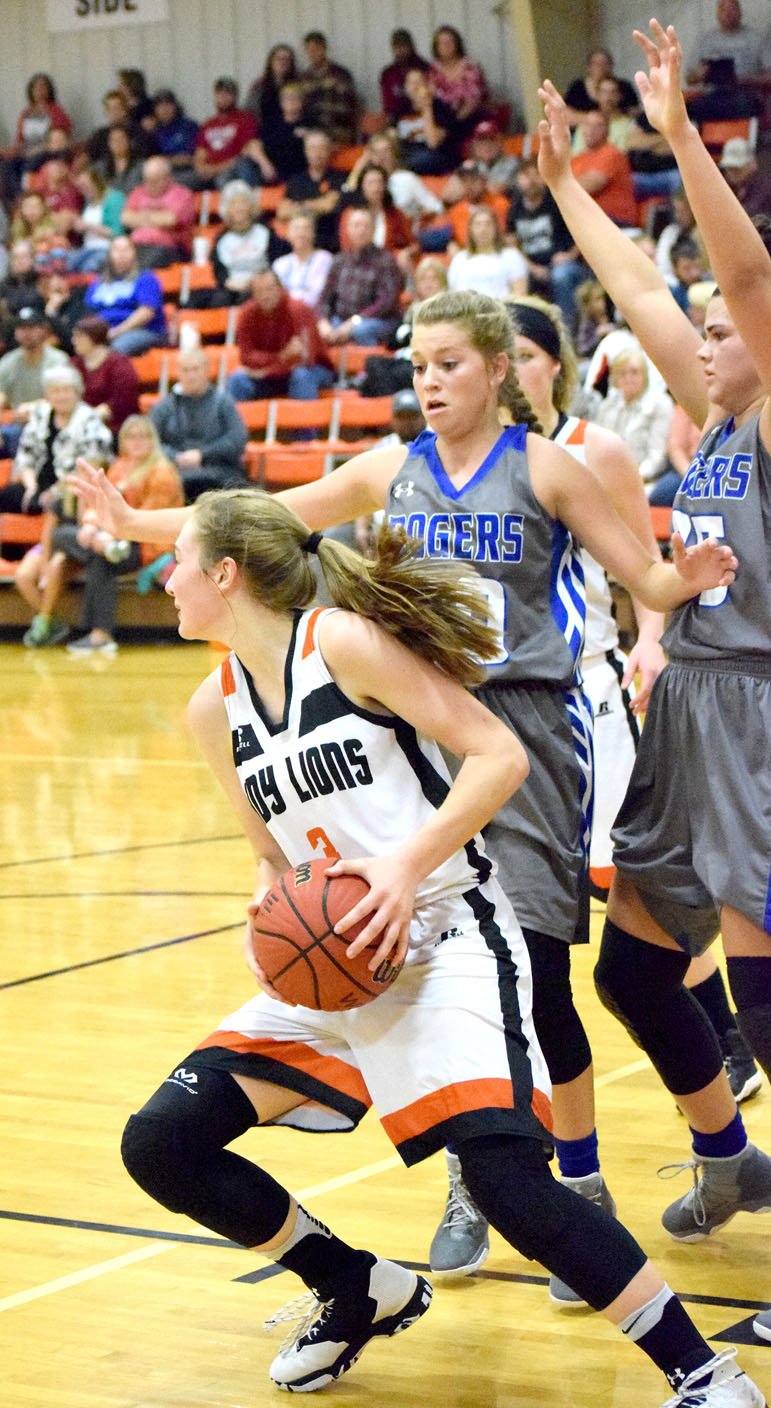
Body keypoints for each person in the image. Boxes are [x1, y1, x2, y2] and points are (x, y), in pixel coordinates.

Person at [73, 287, 741, 1321]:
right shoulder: (393, 467)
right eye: (416, 364)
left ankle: (575, 1181)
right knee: (420, 949)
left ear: (499, 370)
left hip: (521, 731)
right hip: (411, 726)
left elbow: (642, 583)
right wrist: (135, 521)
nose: (427, 381)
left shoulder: (546, 466)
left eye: (447, 364)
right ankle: (479, 1176)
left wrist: (679, 581)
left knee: (537, 978)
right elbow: (267, 518)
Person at [536, 25, 771, 1324]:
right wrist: (570, 183)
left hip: (757, 709)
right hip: (683, 707)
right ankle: (730, 1158)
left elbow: (735, 277)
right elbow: (643, 292)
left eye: (724, 329)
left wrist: (676, 136)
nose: (699, 336)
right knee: (631, 969)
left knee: (761, 978)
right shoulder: (717, 416)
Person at [58, 415, 183, 656]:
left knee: (102, 559)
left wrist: (108, 534)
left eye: (144, 436)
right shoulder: (118, 468)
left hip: (146, 544)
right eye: (131, 436)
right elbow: (98, 504)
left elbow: (148, 521)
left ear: (153, 440)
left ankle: (99, 634)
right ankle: (100, 634)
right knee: (64, 535)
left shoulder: (162, 473)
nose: (138, 442)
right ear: (123, 441)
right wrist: (93, 528)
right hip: (113, 539)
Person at [11, 363, 113, 647]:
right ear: (47, 394)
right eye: (55, 391)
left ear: (77, 392)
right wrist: (32, 485)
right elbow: (25, 458)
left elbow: (91, 465)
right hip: (55, 518)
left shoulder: (90, 423)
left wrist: (58, 489)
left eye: (66, 390)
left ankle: (44, 623)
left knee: (55, 564)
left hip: (75, 528)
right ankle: (53, 623)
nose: (61, 396)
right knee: (23, 575)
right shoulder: (41, 417)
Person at [150, 347, 247, 500]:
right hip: (175, 472)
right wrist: (175, 456)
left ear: (207, 370)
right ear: (178, 373)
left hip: (220, 471)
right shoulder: (164, 406)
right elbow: (151, 441)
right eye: (185, 370)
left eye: (195, 369)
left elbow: (237, 438)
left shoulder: (223, 402)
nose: (191, 375)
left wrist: (202, 455)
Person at [227, 268, 334, 404]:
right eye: (259, 291)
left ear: (280, 288)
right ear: (253, 294)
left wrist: (266, 370)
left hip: (315, 368)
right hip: (272, 372)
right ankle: (238, 425)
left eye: (269, 289)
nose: (265, 295)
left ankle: (306, 425)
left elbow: (305, 358)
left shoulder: (298, 310)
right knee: (237, 379)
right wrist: (280, 357)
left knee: (301, 376)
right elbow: (246, 357)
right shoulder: (247, 314)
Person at [506, 157, 587, 330]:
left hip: (565, 263)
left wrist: (570, 255)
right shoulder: (514, 208)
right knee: (516, 277)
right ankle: (523, 330)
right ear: (518, 179)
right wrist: (531, 267)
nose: (532, 180)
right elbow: (512, 245)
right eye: (526, 175)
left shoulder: (557, 201)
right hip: (532, 266)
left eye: (536, 174)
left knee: (561, 275)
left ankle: (566, 329)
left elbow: (585, 231)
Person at [317, 209, 403, 347]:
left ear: (373, 230)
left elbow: (387, 302)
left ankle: (366, 366)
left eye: (366, 226)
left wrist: (355, 321)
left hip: (377, 320)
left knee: (361, 330)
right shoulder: (339, 260)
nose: (361, 230)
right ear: (348, 230)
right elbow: (325, 296)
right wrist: (323, 321)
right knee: (319, 329)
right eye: (356, 225)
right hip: (341, 319)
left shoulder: (385, 260)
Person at [595, 348, 675, 495]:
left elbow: (657, 457)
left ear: (644, 376)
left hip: (645, 479)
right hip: (607, 477)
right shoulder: (607, 405)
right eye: (622, 373)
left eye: (634, 372)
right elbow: (596, 448)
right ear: (615, 379)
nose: (628, 378)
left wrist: (631, 479)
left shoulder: (660, 405)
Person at [0, 305, 70, 459]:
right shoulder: (8, 361)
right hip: (15, 422)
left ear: (43, 330)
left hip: (50, 419)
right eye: (22, 328)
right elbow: (1, 396)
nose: (26, 333)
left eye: (31, 328)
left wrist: (34, 407)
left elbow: (63, 397)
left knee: (20, 433)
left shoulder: (57, 360)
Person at [83, 235, 167, 356]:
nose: (121, 254)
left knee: (113, 352)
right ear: (109, 254)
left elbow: (146, 312)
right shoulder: (99, 282)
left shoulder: (145, 278)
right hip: (103, 332)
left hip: (140, 330)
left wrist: (118, 331)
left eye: (126, 249)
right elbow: (88, 312)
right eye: (117, 250)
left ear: (134, 253)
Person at [192, 78, 276, 191]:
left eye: (228, 93)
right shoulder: (207, 124)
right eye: (220, 93)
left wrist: (217, 169)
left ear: (235, 96)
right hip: (208, 172)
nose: (223, 97)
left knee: (223, 179)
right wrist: (202, 168)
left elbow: (247, 151)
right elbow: (199, 156)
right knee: (181, 180)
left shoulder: (245, 119)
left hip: (233, 169)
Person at [276, 130, 345, 254]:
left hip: (329, 243)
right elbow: (282, 211)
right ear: (306, 151)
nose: (316, 153)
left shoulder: (339, 178)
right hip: (299, 245)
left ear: (329, 150)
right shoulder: (296, 181)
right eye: (312, 148)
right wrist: (316, 206)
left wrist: (298, 207)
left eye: (321, 148)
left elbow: (328, 205)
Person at [71, 314, 140, 436]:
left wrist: (95, 414)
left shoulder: (119, 364)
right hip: (79, 421)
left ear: (92, 338)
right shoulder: (75, 363)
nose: (73, 341)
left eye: (78, 336)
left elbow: (124, 400)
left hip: (114, 425)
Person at [121, 156, 196, 268]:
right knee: (113, 261)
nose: (149, 185)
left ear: (167, 178)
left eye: (154, 181)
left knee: (141, 266)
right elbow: (125, 218)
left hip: (170, 248)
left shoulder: (182, 194)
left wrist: (140, 217)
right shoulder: (138, 192)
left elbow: (171, 220)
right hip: (136, 245)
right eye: (146, 180)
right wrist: (157, 218)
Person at [571, 110, 639, 228]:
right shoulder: (576, 160)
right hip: (587, 220)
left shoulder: (611, 153)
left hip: (614, 220)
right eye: (587, 124)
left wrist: (562, 185)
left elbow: (589, 186)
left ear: (607, 131)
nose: (591, 130)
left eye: (598, 126)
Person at [209, 181, 272, 304]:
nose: (239, 208)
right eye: (233, 204)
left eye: (243, 202)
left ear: (251, 206)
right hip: (232, 287)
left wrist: (259, 282)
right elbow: (220, 272)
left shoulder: (265, 232)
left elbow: (275, 263)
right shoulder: (222, 239)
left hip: (261, 285)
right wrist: (232, 284)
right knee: (219, 300)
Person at [447, 207, 527, 300]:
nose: (483, 229)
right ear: (470, 229)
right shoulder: (459, 259)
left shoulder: (511, 256)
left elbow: (520, 294)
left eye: (488, 224)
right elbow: (452, 294)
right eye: (478, 225)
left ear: (496, 228)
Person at [396, 68, 460, 177]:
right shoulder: (401, 109)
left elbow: (433, 142)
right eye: (411, 82)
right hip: (408, 152)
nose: (415, 86)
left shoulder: (441, 108)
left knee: (417, 160)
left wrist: (427, 108)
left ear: (427, 85)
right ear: (406, 87)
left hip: (434, 154)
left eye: (419, 81)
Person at [299, 30, 360, 146]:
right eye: (308, 50)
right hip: (312, 133)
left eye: (316, 49)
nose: (312, 54)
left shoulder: (341, 74)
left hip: (337, 131)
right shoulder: (304, 78)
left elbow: (348, 107)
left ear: (324, 49)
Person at [428, 24, 489, 138]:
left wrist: (452, 125)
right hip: (444, 120)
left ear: (457, 43)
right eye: (441, 43)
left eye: (449, 42)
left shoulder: (470, 67)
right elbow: (431, 96)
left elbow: (473, 101)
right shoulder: (434, 70)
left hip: (468, 119)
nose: (446, 46)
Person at [272, 211, 333, 310]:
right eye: (296, 228)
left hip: (313, 314)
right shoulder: (280, 263)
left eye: (306, 229)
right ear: (288, 234)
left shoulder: (323, 259)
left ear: (313, 233)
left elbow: (316, 295)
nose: (301, 233)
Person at [444, 159, 510, 251]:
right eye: (464, 180)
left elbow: (502, 236)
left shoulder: (501, 203)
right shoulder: (456, 210)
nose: (469, 185)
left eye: (473, 180)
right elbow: (460, 241)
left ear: (484, 181)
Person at [563, 49, 638, 124]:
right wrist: (592, 119)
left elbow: (635, 111)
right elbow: (566, 113)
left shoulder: (624, 86)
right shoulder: (577, 87)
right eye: (596, 63)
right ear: (588, 67)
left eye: (605, 63)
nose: (601, 67)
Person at [379, 28, 430, 122]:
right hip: (397, 121)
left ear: (411, 46)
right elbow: (388, 107)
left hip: (423, 119)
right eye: (396, 47)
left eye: (403, 46)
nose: (400, 50)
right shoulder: (388, 73)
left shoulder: (425, 68)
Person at [245, 43, 299, 130]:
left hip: (293, 131)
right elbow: (251, 114)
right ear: (271, 61)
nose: (283, 62)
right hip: (266, 132)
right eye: (279, 59)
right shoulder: (259, 86)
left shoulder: (299, 84)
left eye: (286, 60)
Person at [719, 138, 771, 220]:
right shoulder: (730, 186)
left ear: (752, 164)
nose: (731, 172)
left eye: (737, 168)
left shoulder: (765, 188)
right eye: (728, 168)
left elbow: (748, 216)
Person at [150, 90, 198, 174]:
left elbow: (193, 156)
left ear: (175, 106)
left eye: (168, 104)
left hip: (190, 170)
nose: (164, 109)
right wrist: (171, 160)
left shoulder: (189, 126)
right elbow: (153, 160)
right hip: (164, 172)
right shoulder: (154, 132)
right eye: (160, 106)